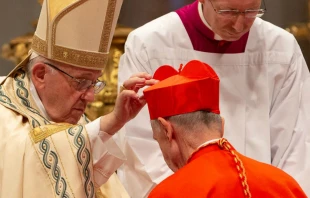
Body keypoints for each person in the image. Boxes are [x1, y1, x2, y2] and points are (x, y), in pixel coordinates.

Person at [116, 0, 310, 197]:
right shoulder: (149, 43)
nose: (239, 25)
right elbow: (140, 140)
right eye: (228, 11)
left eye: (252, 11)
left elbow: (297, 141)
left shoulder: (281, 48)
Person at [0, 0, 156, 197]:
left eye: (94, 83)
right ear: (40, 74)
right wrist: (110, 122)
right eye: (81, 82)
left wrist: (115, 124)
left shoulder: (72, 116)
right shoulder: (4, 115)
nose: (90, 97)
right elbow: (26, 162)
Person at [143, 60, 307, 197]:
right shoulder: (283, 184)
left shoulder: (169, 193)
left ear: (167, 131)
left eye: (158, 140)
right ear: (222, 125)